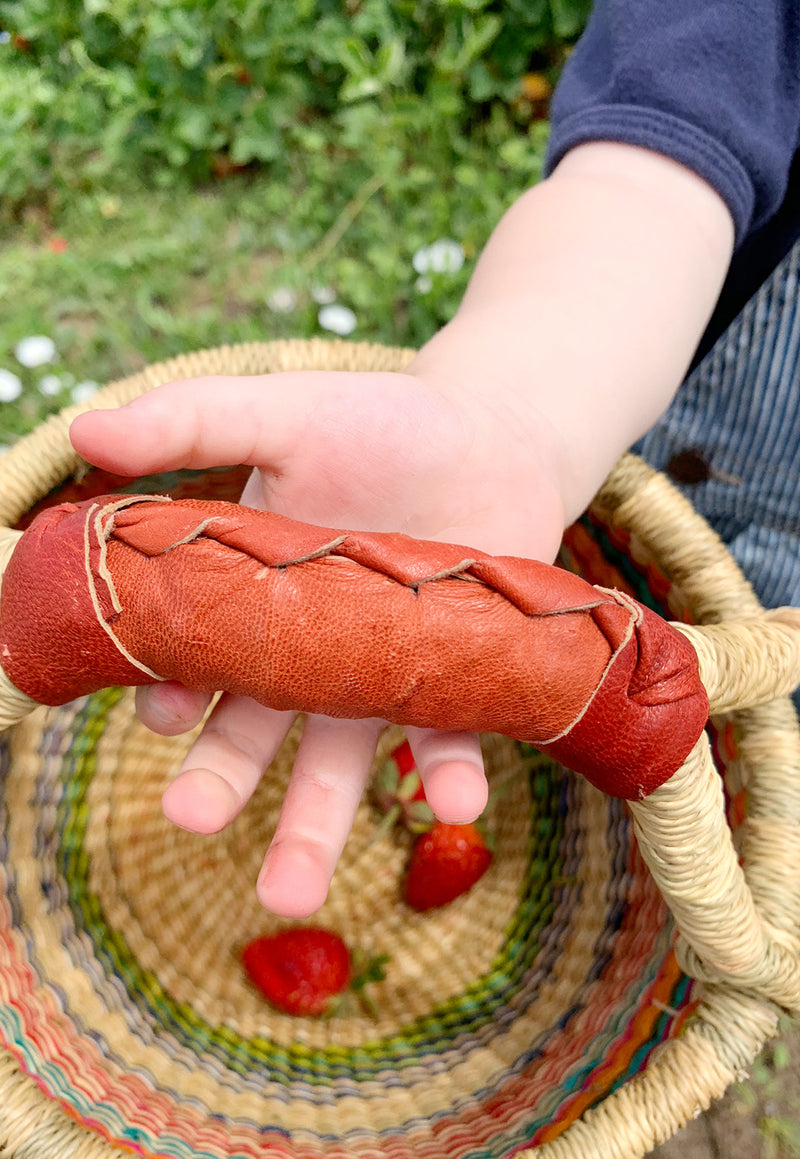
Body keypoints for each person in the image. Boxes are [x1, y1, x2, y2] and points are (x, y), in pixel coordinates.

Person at [70, 2, 800, 921]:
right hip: (613, 455)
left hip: (753, 603)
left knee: (752, 807)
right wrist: (515, 415)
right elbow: (663, 151)